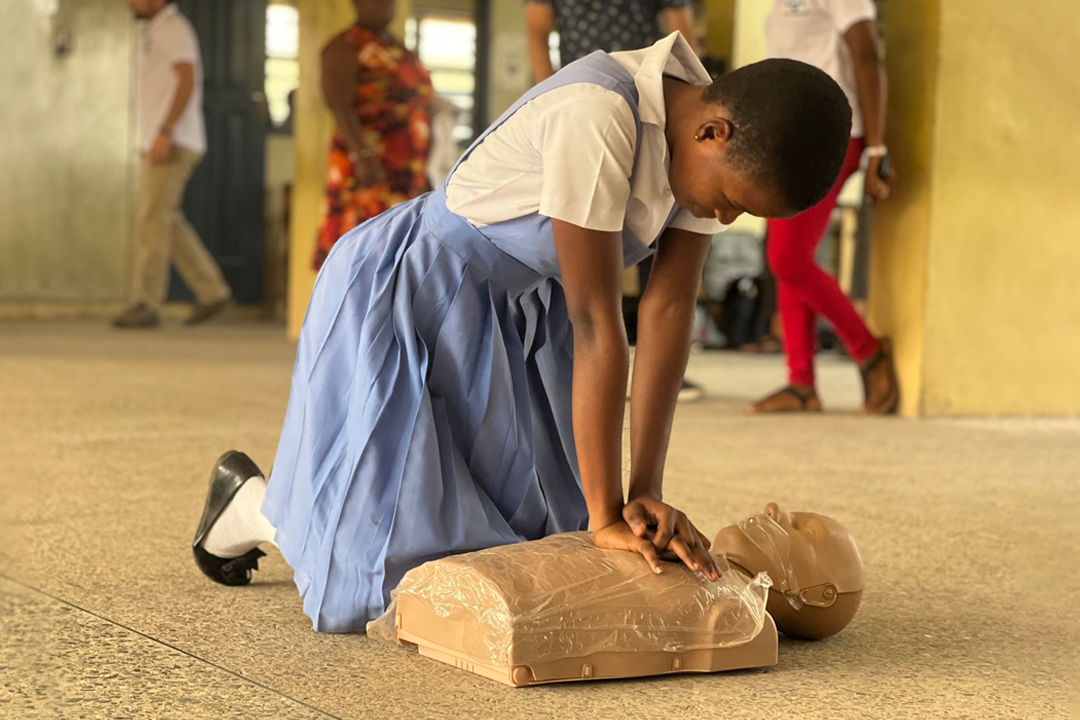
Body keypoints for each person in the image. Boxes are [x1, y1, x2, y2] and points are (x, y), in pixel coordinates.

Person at [191, 33, 854, 633]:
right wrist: (605, 511)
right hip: (418, 290)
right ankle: (248, 504)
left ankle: (289, 505)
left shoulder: (708, 138)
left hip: (518, 309)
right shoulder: (599, 115)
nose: (726, 217)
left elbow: (666, 311)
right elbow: (597, 321)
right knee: (386, 584)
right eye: (731, 202)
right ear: (714, 131)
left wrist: (643, 489)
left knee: (522, 556)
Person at [525, 0, 705, 402]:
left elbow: (681, 32)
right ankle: (576, 360)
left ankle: (651, 365)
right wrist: (550, 94)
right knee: (578, 237)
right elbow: (538, 31)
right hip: (582, 97)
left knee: (650, 231)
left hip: (647, 98)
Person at [749, 0, 899, 414]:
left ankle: (868, 351)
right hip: (792, 135)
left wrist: (877, 148)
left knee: (788, 260)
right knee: (787, 253)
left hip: (834, 131)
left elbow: (867, 55)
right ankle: (801, 384)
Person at [114, 0, 233, 329]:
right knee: (166, 220)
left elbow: (187, 78)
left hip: (174, 141)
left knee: (152, 221)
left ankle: (147, 302)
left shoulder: (174, 28)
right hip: (160, 141)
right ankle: (213, 291)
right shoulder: (153, 29)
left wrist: (166, 132)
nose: (129, 2)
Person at [314, 0, 435, 269]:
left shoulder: (396, 47)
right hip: (367, 165)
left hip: (404, 167)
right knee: (361, 252)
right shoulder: (345, 46)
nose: (385, 4)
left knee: (398, 255)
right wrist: (363, 155)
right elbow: (339, 106)